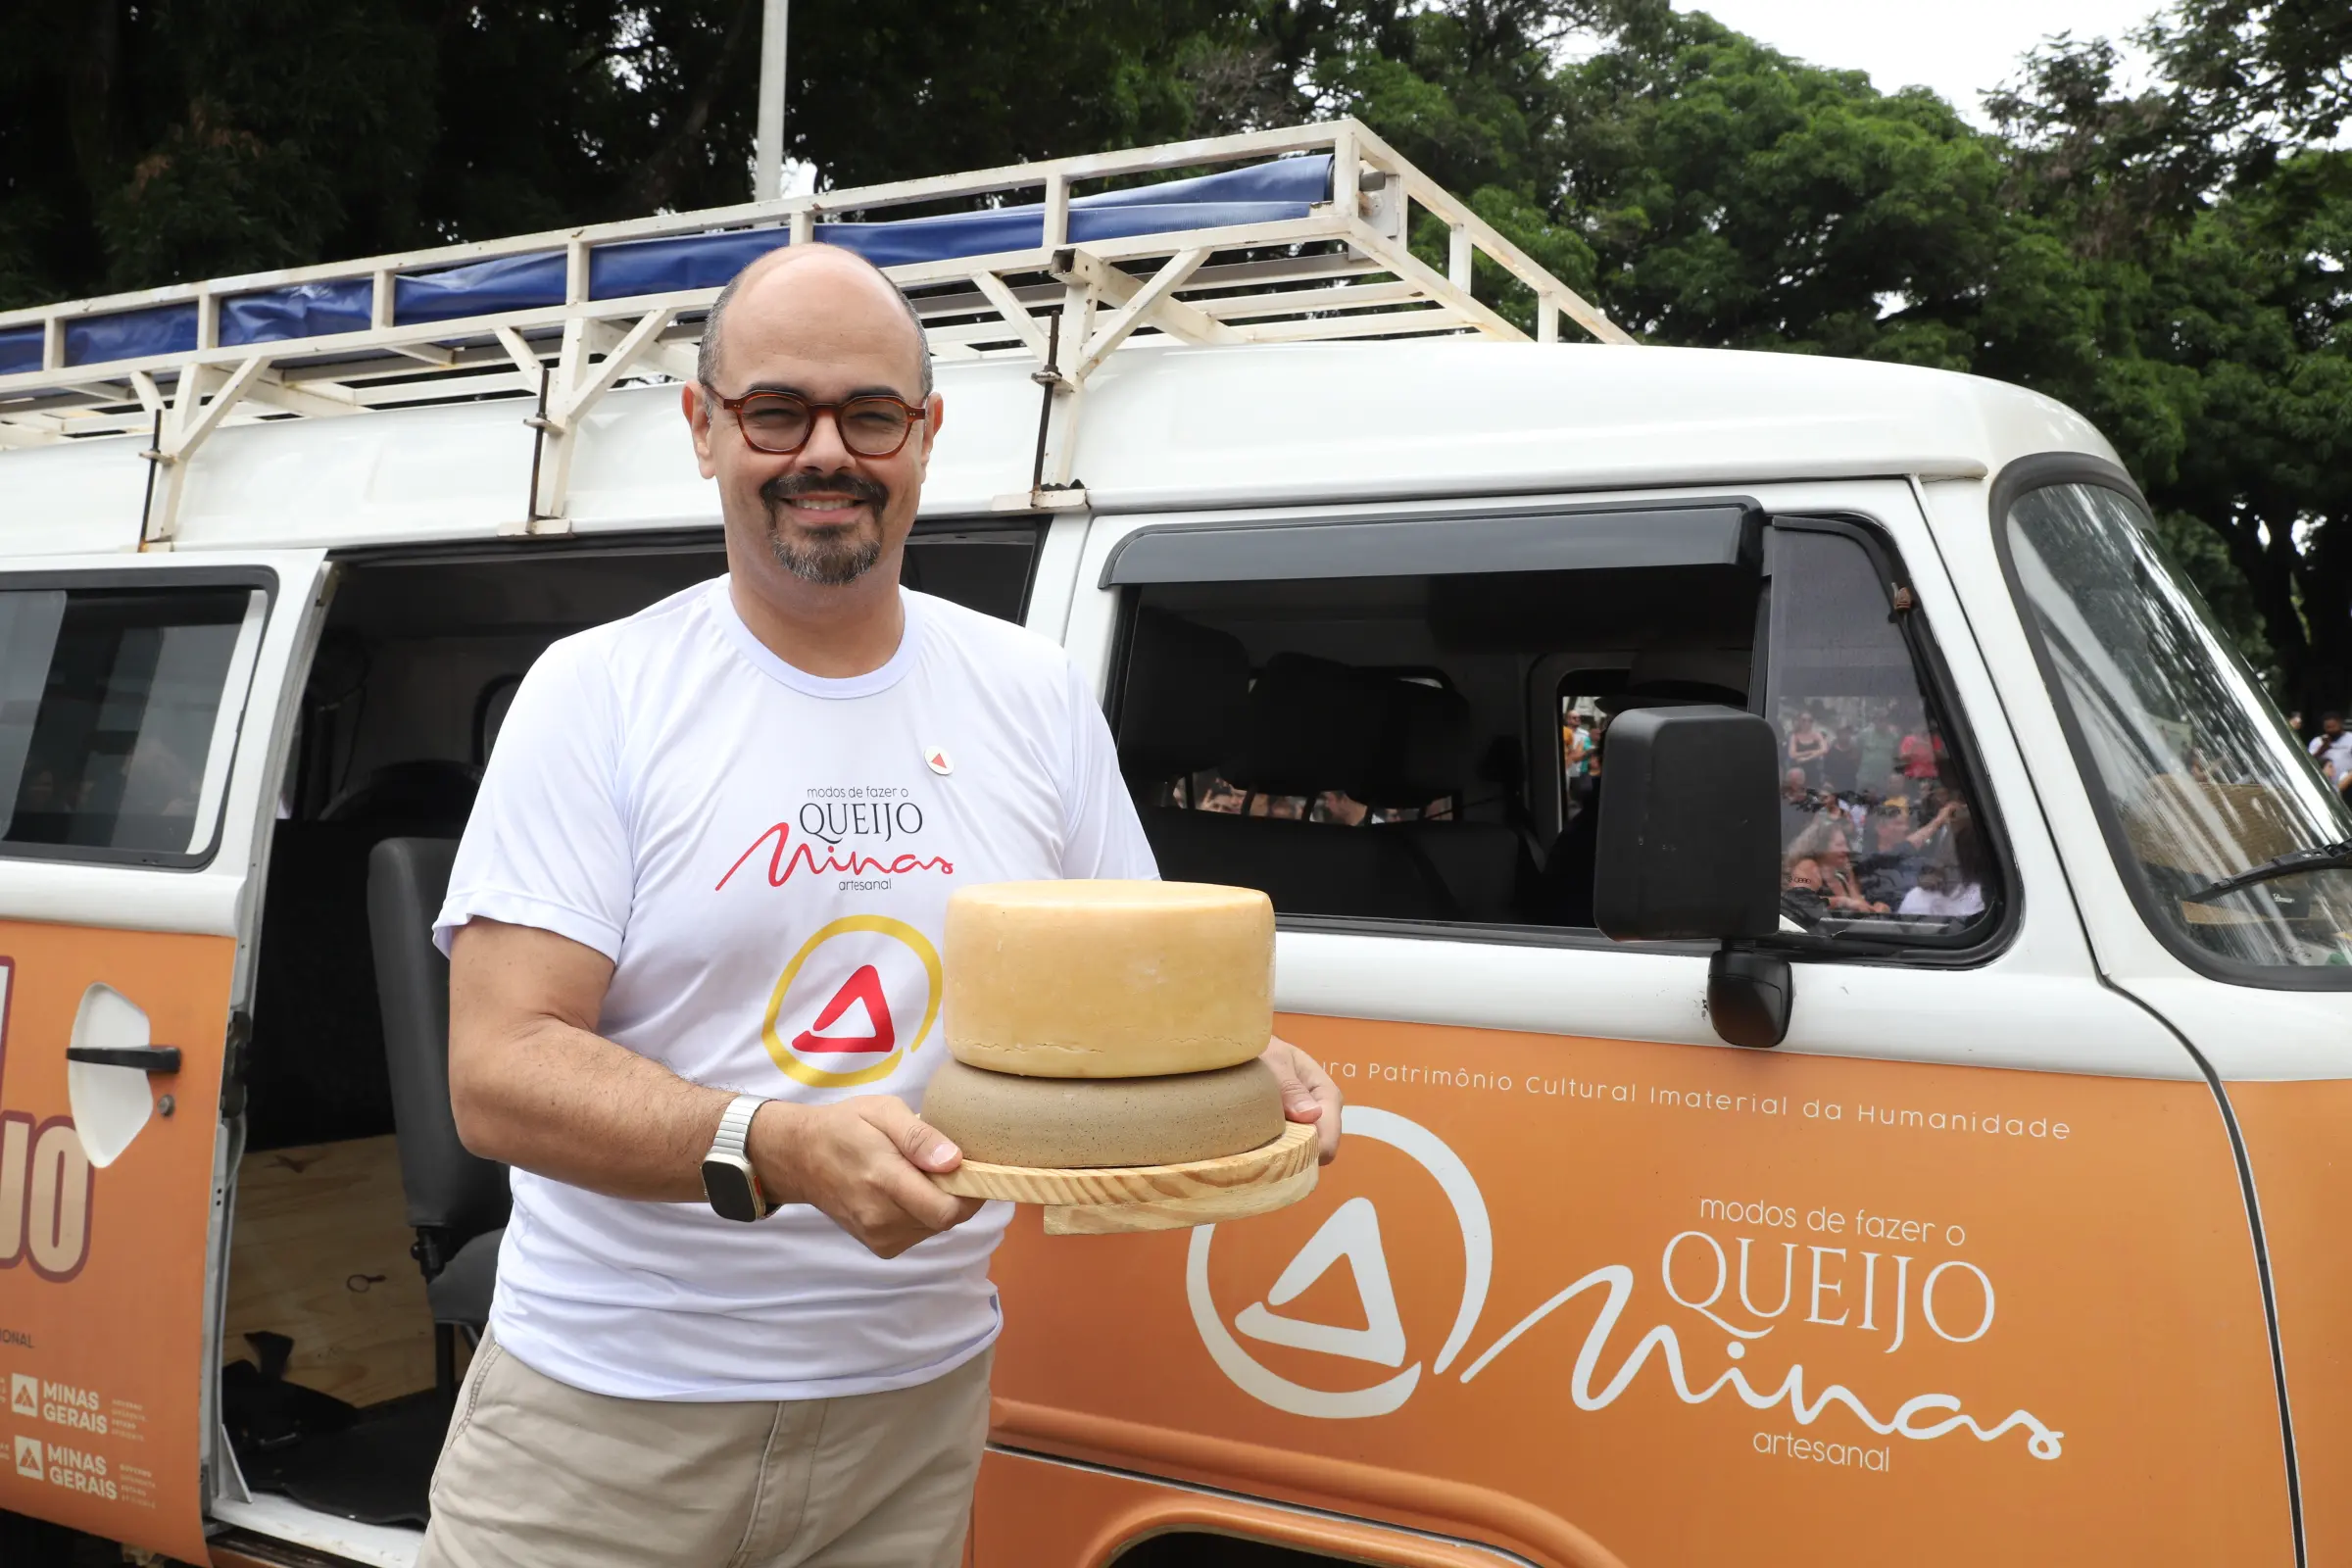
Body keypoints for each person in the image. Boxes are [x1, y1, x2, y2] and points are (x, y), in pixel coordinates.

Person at [418, 244, 1343, 1568]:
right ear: (704, 427)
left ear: (925, 434)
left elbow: (1131, 1007)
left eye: (870, 415)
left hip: (910, 1417)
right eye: (776, 412)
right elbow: (500, 1075)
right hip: (610, 1423)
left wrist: (1257, 1077)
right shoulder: (600, 692)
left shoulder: (1030, 695)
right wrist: (775, 1146)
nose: (826, 454)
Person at [2312, 711, 2352, 796]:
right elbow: (2308, 761)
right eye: (2328, 727)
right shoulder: (2318, 741)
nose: (2331, 730)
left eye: (2333, 727)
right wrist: (2322, 749)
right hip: (2325, 785)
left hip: (2347, 784)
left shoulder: (2350, 738)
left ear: (2340, 724)